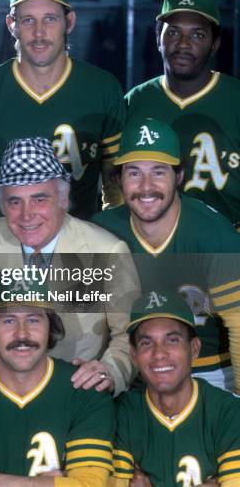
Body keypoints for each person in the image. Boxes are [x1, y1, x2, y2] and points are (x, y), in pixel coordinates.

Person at [0, 137, 140, 396]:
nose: (27, 215)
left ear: (62, 197)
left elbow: (130, 334)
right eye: (15, 202)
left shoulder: (106, 251)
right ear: (2, 204)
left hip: (76, 393)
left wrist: (110, 372)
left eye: (39, 199)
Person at [0, 0, 125, 240]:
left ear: (69, 22)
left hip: (77, 250)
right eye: (28, 20)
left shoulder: (103, 88)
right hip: (2, 249)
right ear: (11, 24)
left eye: (50, 19)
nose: (39, 33)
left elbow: (117, 188)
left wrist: (109, 246)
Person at [92, 118, 240, 392]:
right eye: (134, 173)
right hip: (130, 370)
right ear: (118, 178)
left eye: (159, 172)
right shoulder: (99, 231)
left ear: (179, 176)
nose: (146, 186)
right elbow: (77, 322)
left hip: (209, 371)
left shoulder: (215, 234)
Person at [0, 271, 115, 486]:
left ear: (50, 327)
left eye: (33, 319)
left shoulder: (85, 389)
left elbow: (90, 484)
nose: (22, 334)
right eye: (8, 320)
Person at [125, 0, 240, 227]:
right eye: (174, 33)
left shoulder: (235, 97)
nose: (184, 44)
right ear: (158, 39)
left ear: (215, 44)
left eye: (197, 35)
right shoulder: (134, 102)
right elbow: (114, 183)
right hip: (153, 244)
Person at [110, 291, 240, 486]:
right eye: (146, 343)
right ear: (134, 355)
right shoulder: (121, 413)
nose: (159, 353)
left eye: (172, 340)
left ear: (194, 349)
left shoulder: (229, 413)